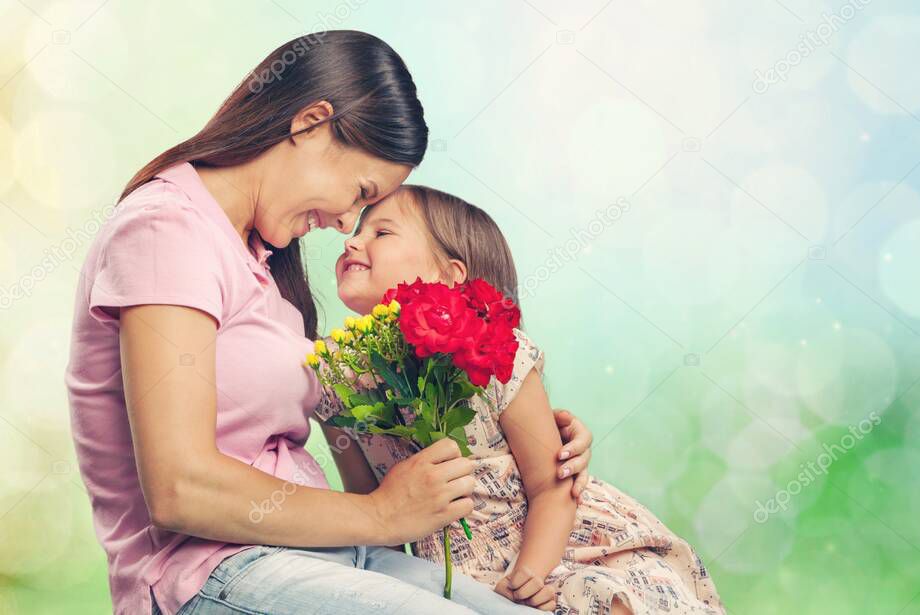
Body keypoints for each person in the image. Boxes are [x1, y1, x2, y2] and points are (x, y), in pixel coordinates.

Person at [65, 31, 594, 615]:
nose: (347, 224)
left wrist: (536, 439)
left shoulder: (262, 266)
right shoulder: (166, 229)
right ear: (310, 124)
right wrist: (380, 514)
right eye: (360, 192)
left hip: (327, 553)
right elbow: (178, 487)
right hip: (210, 571)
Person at [319, 185, 727, 614]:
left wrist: (529, 577)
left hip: (560, 549)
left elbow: (552, 485)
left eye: (381, 233)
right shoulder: (338, 380)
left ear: (450, 275)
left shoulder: (495, 353)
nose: (351, 241)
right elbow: (369, 511)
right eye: (358, 231)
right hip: (455, 577)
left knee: (600, 598)